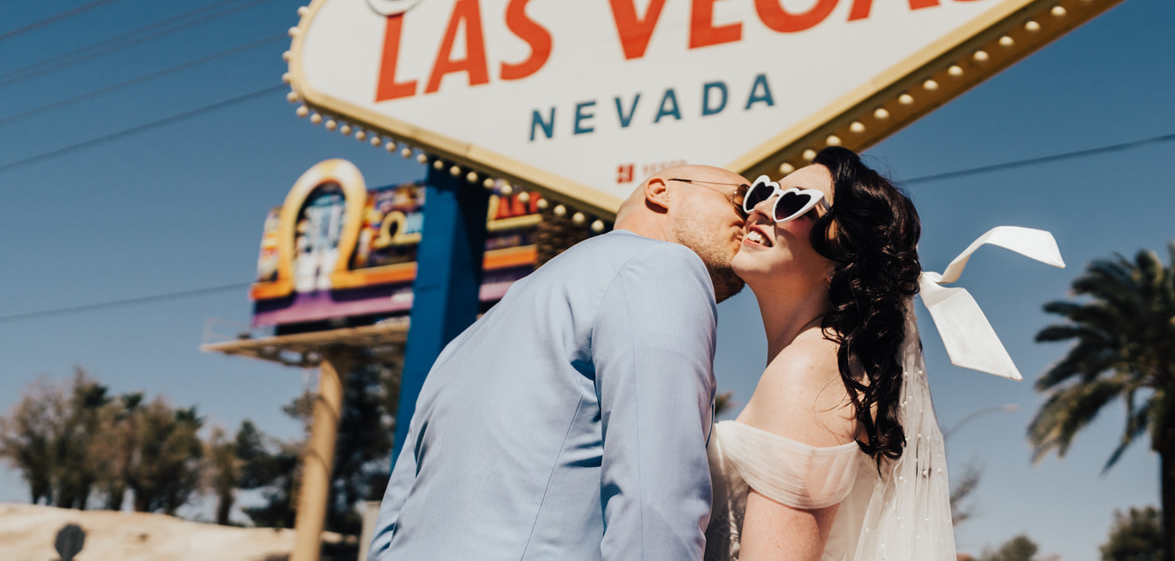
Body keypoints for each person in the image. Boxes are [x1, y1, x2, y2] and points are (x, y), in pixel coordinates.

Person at [368, 164, 751, 561]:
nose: (755, 218)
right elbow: (657, 498)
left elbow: (393, 519)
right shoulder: (662, 265)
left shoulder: (466, 342)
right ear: (660, 192)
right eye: (743, 199)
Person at [706, 146, 1062, 561]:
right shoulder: (831, 362)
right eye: (762, 192)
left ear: (844, 261)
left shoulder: (806, 369)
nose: (761, 208)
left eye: (794, 203)